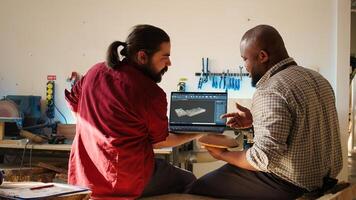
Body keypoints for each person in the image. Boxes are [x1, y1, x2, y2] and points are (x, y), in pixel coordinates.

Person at [188, 24, 343, 199]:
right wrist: (255, 122)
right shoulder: (317, 78)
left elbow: (263, 158)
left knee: (197, 188)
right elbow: (303, 129)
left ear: (262, 56)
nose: (245, 67)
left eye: (244, 59)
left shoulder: (270, 89)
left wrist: (224, 155)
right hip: (324, 179)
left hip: (291, 184)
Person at [65, 24, 200, 199]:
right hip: (124, 182)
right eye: (165, 57)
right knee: (189, 179)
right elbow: (160, 142)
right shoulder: (149, 93)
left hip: (85, 178)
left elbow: (73, 102)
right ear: (142, 56)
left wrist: (93, 134)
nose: (169, 63)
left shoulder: (95, 71)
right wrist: (198, 133)